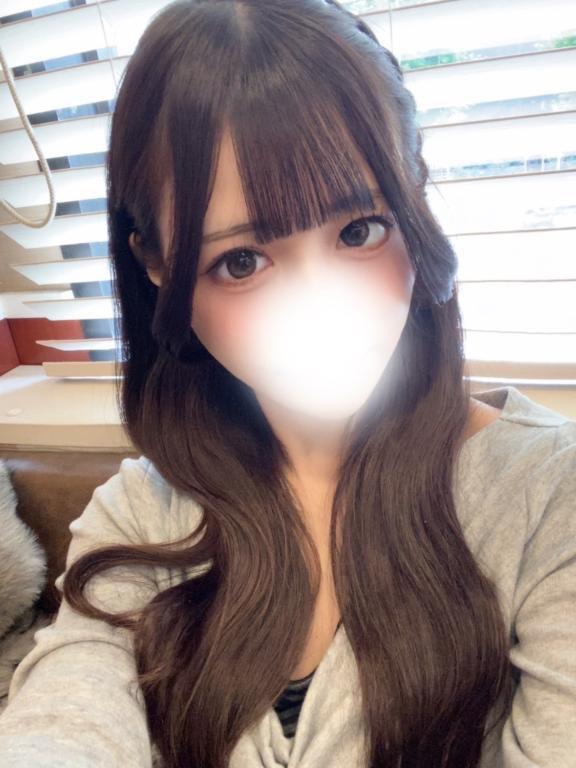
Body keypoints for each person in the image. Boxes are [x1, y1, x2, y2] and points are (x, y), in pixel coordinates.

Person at [1, 1, 575, 766]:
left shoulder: (548, 497)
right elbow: (64, 720)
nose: (322, 308)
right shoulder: (143, 511)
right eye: (242, 261)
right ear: (159, 267)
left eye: (360, 229)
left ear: (414, 193)